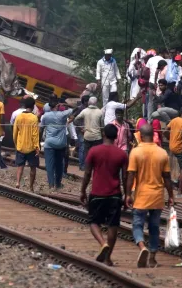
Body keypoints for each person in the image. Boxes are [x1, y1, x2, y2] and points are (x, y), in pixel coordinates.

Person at [126, 122, 174, 268]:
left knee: (137, 225)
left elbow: (131, 176)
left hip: (142, 196)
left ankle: (142, 247)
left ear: (140, 135)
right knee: (154, 227)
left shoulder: (135, 152)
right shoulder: (162, 152)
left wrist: (127, 194)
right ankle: (152, 258)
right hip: (157, 197)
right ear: (153, 135)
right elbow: (167, 177)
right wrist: (171, 195)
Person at [80, 124, 128, 266]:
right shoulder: (122, 154)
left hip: (97, 193)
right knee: (113, 225)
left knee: (94, 222)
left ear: (104, 134)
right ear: (115, 137)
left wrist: (83, 190)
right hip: (115, 194)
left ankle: (102, 243)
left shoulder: (94, 151)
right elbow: (125, 177)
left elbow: (87, 173)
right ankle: (108, 258)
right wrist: (127, 194)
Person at [40, 97, 74, 191]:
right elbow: (74, 108)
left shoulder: (46, 116)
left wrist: (38, 142)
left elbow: (41, 128)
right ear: (57, 105)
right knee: (59, 165)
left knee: (49, 165)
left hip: (49, 143)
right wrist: (65, 105)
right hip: (61, 144)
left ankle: (51, 185)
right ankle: (58, 184)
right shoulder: (63, 114)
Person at [13, 97, 40, 192]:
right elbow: (35, 134)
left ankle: (17, 182)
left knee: (20, 166)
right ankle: (31, 187)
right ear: (33, 106)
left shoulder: (19, 116)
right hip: (31, 147)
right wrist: (37, 146)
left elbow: (15, 132)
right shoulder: (34, 118)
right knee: (33, 167)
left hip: (20, 145)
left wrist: (16, 143)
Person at [74, 96, 104, 171]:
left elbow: (75, 120)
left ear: (89, 103)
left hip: (87, 136)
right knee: (97, 154)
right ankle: (96, 169)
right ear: (96, 103)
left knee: (87, 153)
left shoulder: (85, 111)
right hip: (97, 137)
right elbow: (102, 126)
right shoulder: (100, 112)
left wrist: (82, 128)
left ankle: (87, 168)